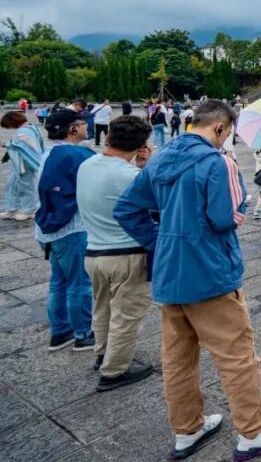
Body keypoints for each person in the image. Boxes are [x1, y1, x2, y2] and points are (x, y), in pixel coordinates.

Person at [114, 100, 261, 459]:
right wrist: (240, 201)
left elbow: (126, 208)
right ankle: (253, 430)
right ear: (218, 127)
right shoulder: (217, 162)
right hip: (209, 273)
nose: (226, 139)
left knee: (178, 359)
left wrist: (161, 241)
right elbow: (223, 218)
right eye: (227, 133)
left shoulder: (161, 158)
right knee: (237, 355)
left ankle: (187, 428)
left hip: (170, 274)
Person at [77, 115, 155, 391]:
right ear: (141, 146)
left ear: (108, 137)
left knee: (102, 307)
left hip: (94, 251)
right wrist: (145, 167)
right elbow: (157, 205)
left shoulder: (86, 165)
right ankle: (114, 371)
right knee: (127, 315)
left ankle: (103, 352)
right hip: (126, 253)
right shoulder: (131, 176)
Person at [35, 109, 97, 353]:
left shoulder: (49, 153)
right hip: (72, 230)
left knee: (58, 281)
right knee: (80, 284)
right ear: (72, 129)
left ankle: (60, 331)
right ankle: (83, 334)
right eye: (83, 123)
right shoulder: (75, 155)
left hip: (47, 230)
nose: (87, 126)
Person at [1, 111, 44, 221]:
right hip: (20, 164)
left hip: (25, 164)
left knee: (26, 187)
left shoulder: (25, 131)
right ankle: (12, 208)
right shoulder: (31, 128)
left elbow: (21, 145)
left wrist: (4, 144)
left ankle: (29, 210)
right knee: (12, 185)